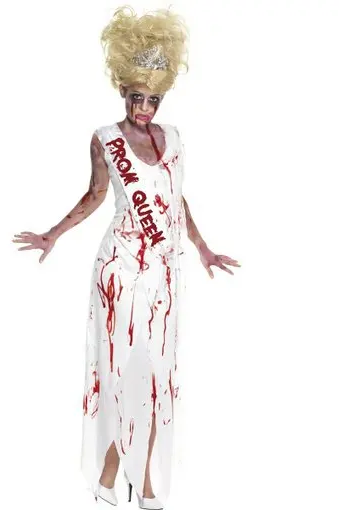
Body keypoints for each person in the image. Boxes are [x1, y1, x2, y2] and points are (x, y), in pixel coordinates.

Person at [12, 5, 240, 509]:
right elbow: (96, 195)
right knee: (120, 376)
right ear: (122, 90)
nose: (145, 108)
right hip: (119, 269)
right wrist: (52, 234)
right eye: (137, 97)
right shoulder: (106, 139)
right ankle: (122, 479)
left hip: (164, 272)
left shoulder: (173, 139)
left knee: (156, 379)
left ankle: (130, 478)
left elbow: (175, 199)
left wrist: (202, 248)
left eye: (153, 99)